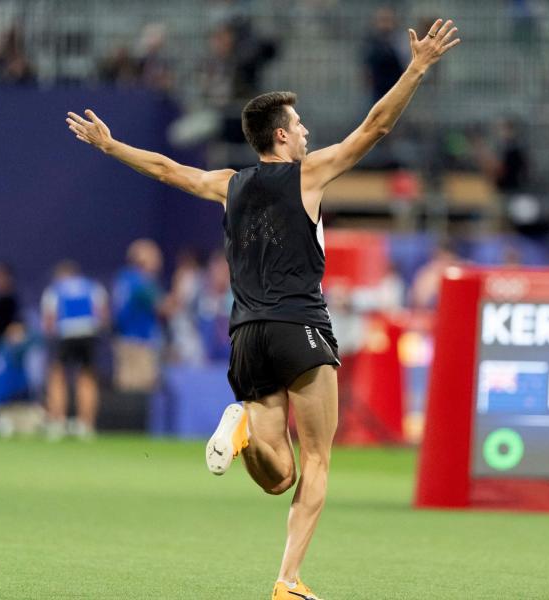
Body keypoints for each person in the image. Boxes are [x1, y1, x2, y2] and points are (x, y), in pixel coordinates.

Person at [66, 18, 460, 599]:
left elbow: (168, 169)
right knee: (319, 461)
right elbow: (376, 127)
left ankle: (246, 428)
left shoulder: (229, 182)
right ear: (280, 137)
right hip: (300, 325)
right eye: (297, 126)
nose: (305, 133)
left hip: (246, 334)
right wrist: (418, 69)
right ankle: (287, 580)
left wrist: (110, 145)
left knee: (279, 477)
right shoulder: (309, 175)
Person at [41, 260, 108, 440]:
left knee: (57, 376)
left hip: (65, 334)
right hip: (88, 333)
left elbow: (49, 320)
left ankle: (58, 421)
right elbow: (102, 315)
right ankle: (86, 424)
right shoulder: (93, 287)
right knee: (87, 377)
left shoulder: (55, 289)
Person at [112, 239, 163, 391]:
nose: (158, 261)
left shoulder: (123, 277)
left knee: (126, 384)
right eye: (154, 257)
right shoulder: (142, 280)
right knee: (141, 388)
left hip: (123, 339)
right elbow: (162, 306)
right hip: (140, 342)